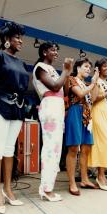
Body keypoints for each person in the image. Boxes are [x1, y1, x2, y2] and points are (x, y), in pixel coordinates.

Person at [0, 22, 29, 214]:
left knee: (10, 150)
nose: (20, 41)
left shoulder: (21, 63)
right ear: (7, 40)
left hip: (17, 108)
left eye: (21, 37)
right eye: (17, 37)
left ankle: (8, 189)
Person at [33, 42, 73, 201]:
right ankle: (46, 189)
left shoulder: (53, 71)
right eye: (53, 50)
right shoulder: (40, 68)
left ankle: (48, 187)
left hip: (57, 108)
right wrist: (65, 70)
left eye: (57, 50)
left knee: (55, 149)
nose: (56, 53)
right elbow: (55, 87)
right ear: (44, 52)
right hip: (50, 107)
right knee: (51, 149)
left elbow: (66, 91)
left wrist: (67, 73)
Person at [64, 58, 98, 196]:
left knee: (86, 148)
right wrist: (93, 83)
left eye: (90, 68)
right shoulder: (72, 79)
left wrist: (94, 83)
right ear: (78, 68)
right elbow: (80, 94)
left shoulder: (86, 84)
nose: (88, 69)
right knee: (73, 148)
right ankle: (72, 182)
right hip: (75, 112)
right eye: (85, 66)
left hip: (86, 114)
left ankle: (84, 179)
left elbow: (93, 99)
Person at [87, 58, 107, 191]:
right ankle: (100, 176)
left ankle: (103, 176)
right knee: (103, 144)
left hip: (106, 114)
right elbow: (94, 99)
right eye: (104, 66)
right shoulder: (96, 81)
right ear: (98, 69)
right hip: (97, 113)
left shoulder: (106, 82)